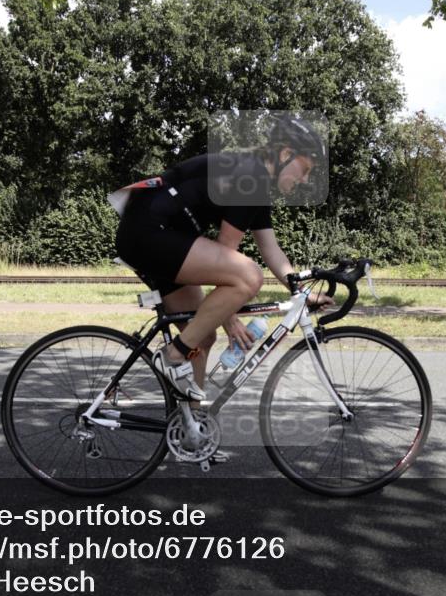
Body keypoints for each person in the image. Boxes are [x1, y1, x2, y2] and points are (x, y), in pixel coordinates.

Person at [114, 115, 334, 401]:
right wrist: (229, 318)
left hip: (156, 234)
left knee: (201, 336)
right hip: (149, 231)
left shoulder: (256, 181)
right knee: (249, 276)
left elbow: (271, 248)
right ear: (285, 154)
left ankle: (191, 430)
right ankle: (172, 355)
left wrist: (302, 293)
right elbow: (227, 254)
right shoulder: (251, 177)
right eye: (304, 170)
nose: (304, 179)